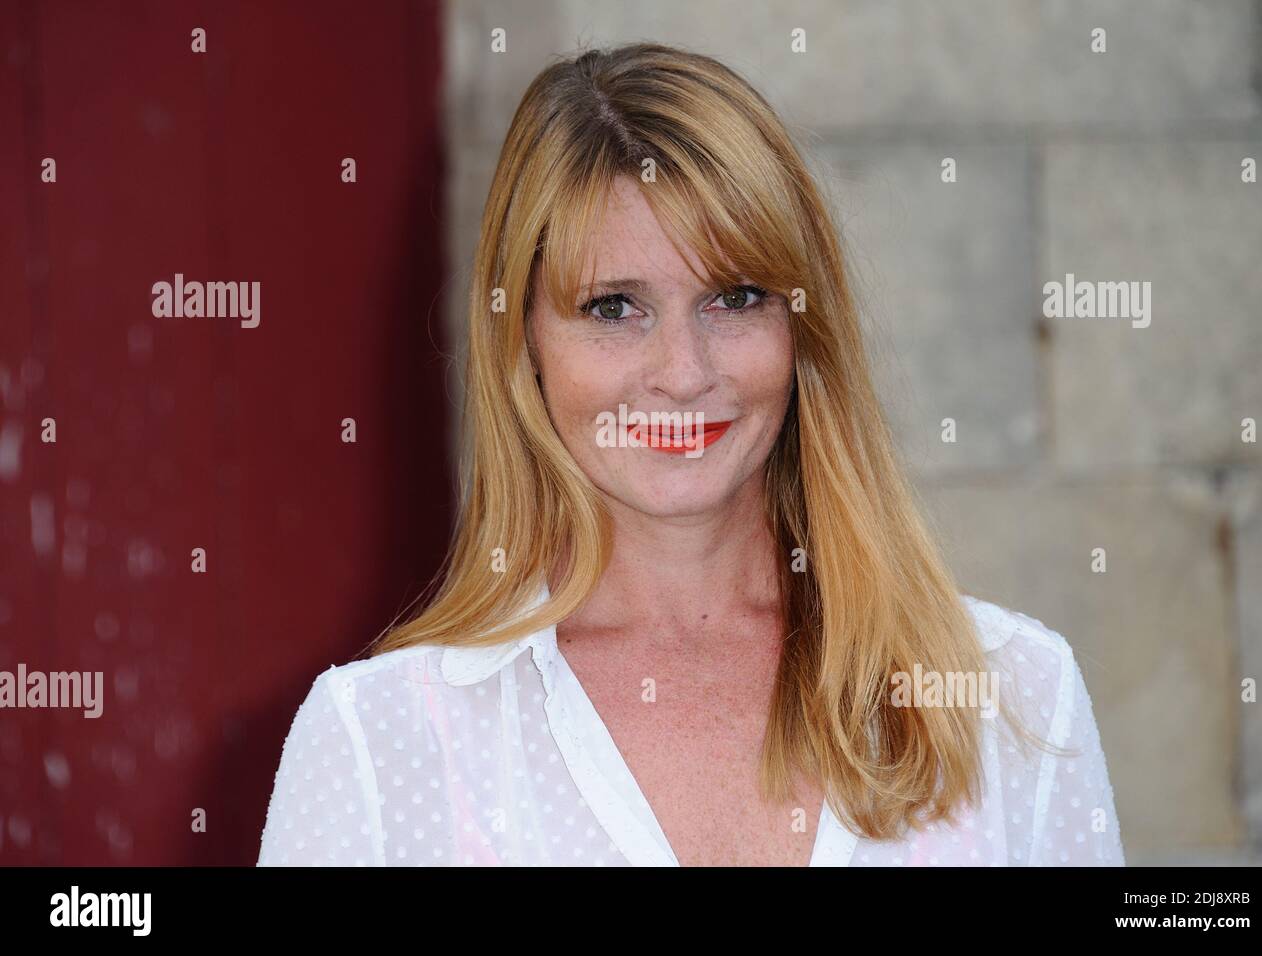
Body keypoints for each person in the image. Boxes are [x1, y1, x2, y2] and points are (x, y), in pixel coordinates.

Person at [257, 42, 1123, 867]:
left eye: (735, 297)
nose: (683, 373)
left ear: (799, 332)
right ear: (525, 341)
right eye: (612, 308)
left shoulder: (1010, 696)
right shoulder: (378, 743)